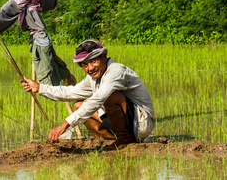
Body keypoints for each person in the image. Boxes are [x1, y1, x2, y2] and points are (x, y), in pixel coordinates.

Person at [21, 39, 155, 149]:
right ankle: (114, 140)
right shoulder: (92, 78)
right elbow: (70, 92)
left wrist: (65, 125)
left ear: (103, 57)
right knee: (79, 106)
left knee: (108, 97)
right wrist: (40, 88)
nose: (90, 68)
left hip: (141, 123)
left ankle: (126, 139)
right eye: (85, 65)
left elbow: (99, 98)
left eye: (93, 61)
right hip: (125, 121)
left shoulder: (116, 71)